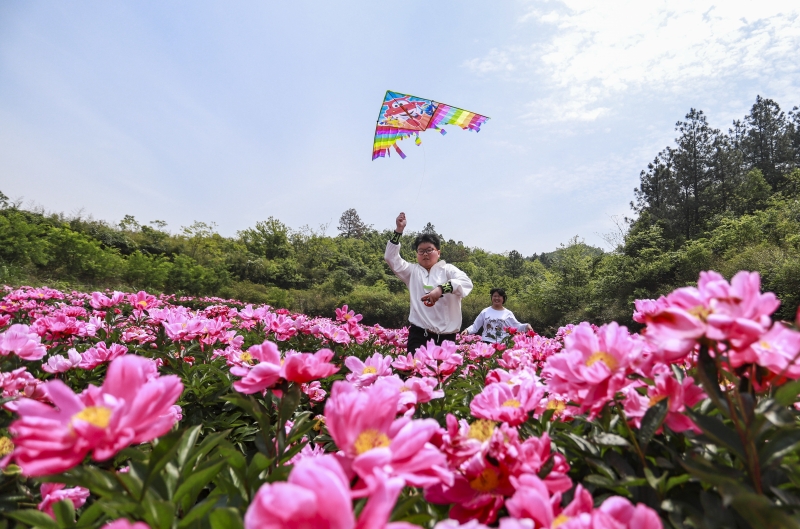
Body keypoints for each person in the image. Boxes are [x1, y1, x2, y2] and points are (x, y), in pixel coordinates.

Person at [385, 212, 473, 353]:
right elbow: (391, 258)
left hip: (446, 338)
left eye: (429, 250)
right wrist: (399, 230)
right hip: (420, 335)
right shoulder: (412, 271)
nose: (425, 254)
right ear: (417, 254)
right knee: (414, 373)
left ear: (438, 252)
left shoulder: (448, 269)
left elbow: (466, 283)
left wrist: (441, 289)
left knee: (442, 374)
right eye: (421, 251)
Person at [463, 288, 532, 343]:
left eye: (499, 296)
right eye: (494, 296)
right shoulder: (485, 311)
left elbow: (516, 326)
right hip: (486, 342)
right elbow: (475, 326)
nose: (496, 298)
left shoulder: (508, 313)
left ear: (503, 298)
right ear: (491, 298)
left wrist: (526, 326)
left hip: (501, 344)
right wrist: (467, 330)